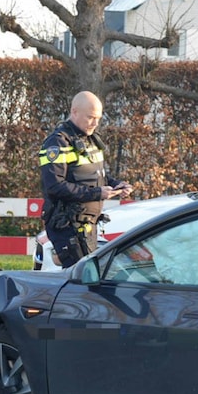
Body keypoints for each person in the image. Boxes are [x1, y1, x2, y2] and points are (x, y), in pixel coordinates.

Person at [38, 90, 131, 267]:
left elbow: (95, 176)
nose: (95, 123)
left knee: (88, 277)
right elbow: (55, 186)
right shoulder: (57, 143)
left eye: (98, 118)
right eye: (90, 117)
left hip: (87, 225)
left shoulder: (90, 140)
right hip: (67, 226)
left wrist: (116, 185)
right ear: (74, 112)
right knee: (81, 279)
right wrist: (96, 193)